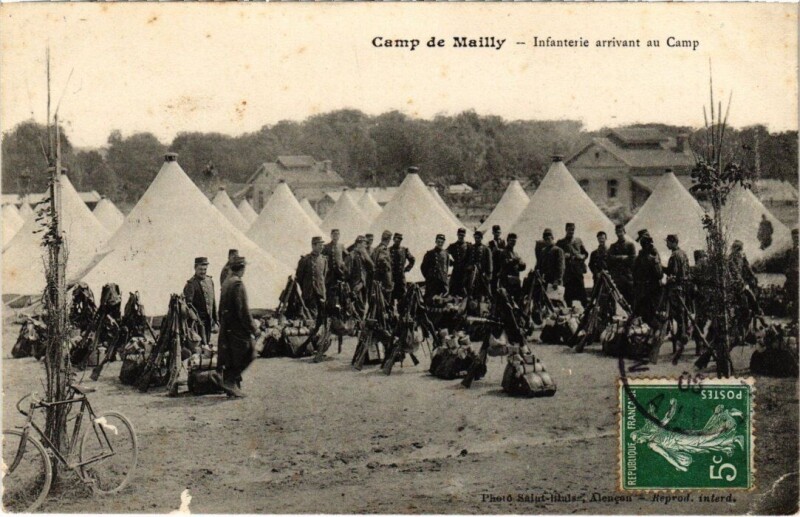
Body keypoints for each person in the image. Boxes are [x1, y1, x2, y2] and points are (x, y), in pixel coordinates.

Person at [217, 256, 259, 398]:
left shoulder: (226, 283)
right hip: (237, 328)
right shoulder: (238, 284)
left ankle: (232, 386)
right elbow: (243, 311)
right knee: (250, 352)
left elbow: (220, 308)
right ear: (242, 269)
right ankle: (230, 382)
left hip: (227, 326)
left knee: (231, 357)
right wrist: (254, 328)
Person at [662, 235, 690, 360]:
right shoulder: (683, 253)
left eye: (668, 242)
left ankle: (679, 341)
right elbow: (687, 270)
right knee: (682, 315)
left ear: (673, 242)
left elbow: (671, 272)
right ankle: (682, 338)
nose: (666, 244)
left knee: (675, 315)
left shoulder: (674, 256)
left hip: (675, 289)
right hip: (683, 288)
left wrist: (660, 267)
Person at [183, 257, 217, 347]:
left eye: (205, 269)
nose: (203, 272)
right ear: (195, 268)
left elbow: (213, 302)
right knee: (198, 347)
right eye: (200, 269)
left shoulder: (210, 281)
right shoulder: (191, 284)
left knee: (206, 346)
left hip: (208, 321)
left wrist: (216, 320)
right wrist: (195, 320)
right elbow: (187, 306)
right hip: (197, 324)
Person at [632, 230, 663, 327]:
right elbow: (659, 274)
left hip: (647, 289)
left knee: (647, 313)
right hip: (648, 289)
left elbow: (634, 273)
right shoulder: (647, 256)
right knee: (648, 313)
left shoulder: (644, 256)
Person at [296, 237, 328, 319]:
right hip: (308, 292)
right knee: (307, 315)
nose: (322, 247)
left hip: (320, 292)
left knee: (320, 315)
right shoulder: (305, 260)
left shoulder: (324, 260)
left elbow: (324, 276)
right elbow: (299, 278)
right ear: (313, 246)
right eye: (320, 245)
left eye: (322, 245)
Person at [557, 222, 589, 307]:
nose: (571, 231)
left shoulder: (578, 241)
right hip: (567, 273)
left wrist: (581, 256)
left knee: (582, 294)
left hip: (577, 271)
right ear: (566, 230)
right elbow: (556, 256)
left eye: (573, 230)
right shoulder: (561, 242)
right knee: (568, 295)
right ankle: (569, 313)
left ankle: (586, 312)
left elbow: (585, 253)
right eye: (569, 230)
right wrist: (564, 256)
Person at [345, 236, 374, 318]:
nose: (365, 246)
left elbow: (372, 268)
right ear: (358, 244)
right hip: (354, 287)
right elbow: (347, 274)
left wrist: (367, 257)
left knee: (362, 308)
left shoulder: (364, 256)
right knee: (355, 310)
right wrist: (350, 288)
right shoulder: (351, 256)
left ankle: (359, 327)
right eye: (363, 244)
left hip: (363, 286)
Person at [608, 225, 636, 305]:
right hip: (617, 277)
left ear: (624, 232)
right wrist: (622, 257)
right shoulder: (613, 246)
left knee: (631, 297)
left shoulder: (630, 245)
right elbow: (609, 259)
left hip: (628, 276)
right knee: (619, 299)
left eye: (621, 232)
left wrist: (616, 258)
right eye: (617, 232)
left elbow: (633, 259)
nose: (619, 234)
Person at [421, 234, 451, 304]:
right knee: (429, 301)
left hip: (442, 282)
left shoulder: (446, 254)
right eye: (438, 241)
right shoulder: (430, 253)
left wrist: (444, 278)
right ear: (436, 241)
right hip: (432, 282)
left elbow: (446, 267)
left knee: (442, 301)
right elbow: (423, 267)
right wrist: (428, 277)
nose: (440, 243)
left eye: (442, 242)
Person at [497, 233, 526, 303]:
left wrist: (521, 265)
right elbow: (504, 265)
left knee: (517, 300)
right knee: (506, 301)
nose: (513, 242)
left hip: (515, 280)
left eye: (514, 241)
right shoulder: (503, 252)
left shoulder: (515, 253)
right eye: (511, 240)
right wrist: (515, 261)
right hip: (506, 280)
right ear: (507, 241)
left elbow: (521, 266)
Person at [465, 230, 493, 299]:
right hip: (472, 274)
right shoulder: (471, 248)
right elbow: (467, 260)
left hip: (482, 274)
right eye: (475, 238)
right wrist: (469, 267)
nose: (477, 239)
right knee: (470, 291)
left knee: (483, 294)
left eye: (478, 238)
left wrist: (488, 275)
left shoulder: (486, 249)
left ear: (481, 238)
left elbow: (490, 264)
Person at [389, 233, 415, 306]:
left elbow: (412, 259)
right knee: (390, 297)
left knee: (402, 298)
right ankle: (391, 314)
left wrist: (406, 269)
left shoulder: (404, 250)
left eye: (400, 239)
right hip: (391, 277)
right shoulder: (389, 250)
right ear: (393, 239)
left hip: (400, 278)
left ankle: (402, 314)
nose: (398, 241)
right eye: (397, 239)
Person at [371, 230, 394, 300]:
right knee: (386, 297)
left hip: (376, 277)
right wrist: (387, 270)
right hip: (384, 278)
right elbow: (382, 260)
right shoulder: (384, 249)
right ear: (388, 239)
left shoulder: (376, 248)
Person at [447, 228, 470, 297]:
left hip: (465, 272)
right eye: (460, 235)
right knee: (454, 290)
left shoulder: (468, 246)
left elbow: (472, 257)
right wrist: (450, 262)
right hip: (456, 271)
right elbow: (444, 254)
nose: (461, 236)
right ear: (457, 234)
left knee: (465, 290)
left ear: (465, 235)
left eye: (462, 235)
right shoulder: (453, 246)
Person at [784, 229, 799, 320]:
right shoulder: (790, 251)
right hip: (791, 277)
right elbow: (787, 264)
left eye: (797, 237)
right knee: (792, 298)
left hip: (797, 276)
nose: (796, 239)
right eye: (794, 237)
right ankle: (794, 320)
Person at [488, 225, 506, 293]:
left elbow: (505, 251)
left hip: (501, 264)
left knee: (502, 282)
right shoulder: (491, 242)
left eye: (498, 232)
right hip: (494, 264)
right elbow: (490, 254)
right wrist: (493, 251)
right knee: (494, 282)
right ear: (493, 233)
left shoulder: (502, 241)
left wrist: (499, 250)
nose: (497, 234)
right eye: (496, 232)